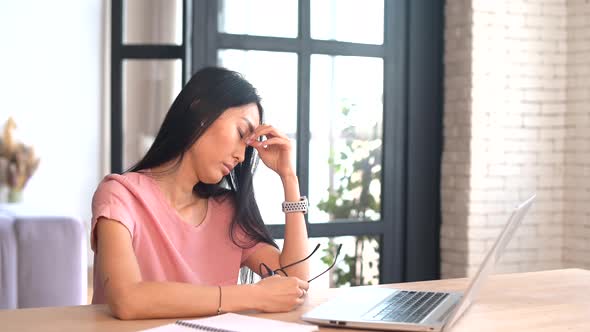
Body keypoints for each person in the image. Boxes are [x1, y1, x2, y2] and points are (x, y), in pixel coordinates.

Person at [91, 67, 310, 320]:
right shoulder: (120, 196)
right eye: (241, 134)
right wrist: (252, 295)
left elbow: (295, 282)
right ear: (201, 113)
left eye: (247, 146)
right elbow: (127, 300)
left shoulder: (226, 210)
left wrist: (289, 178)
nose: (241, 156)